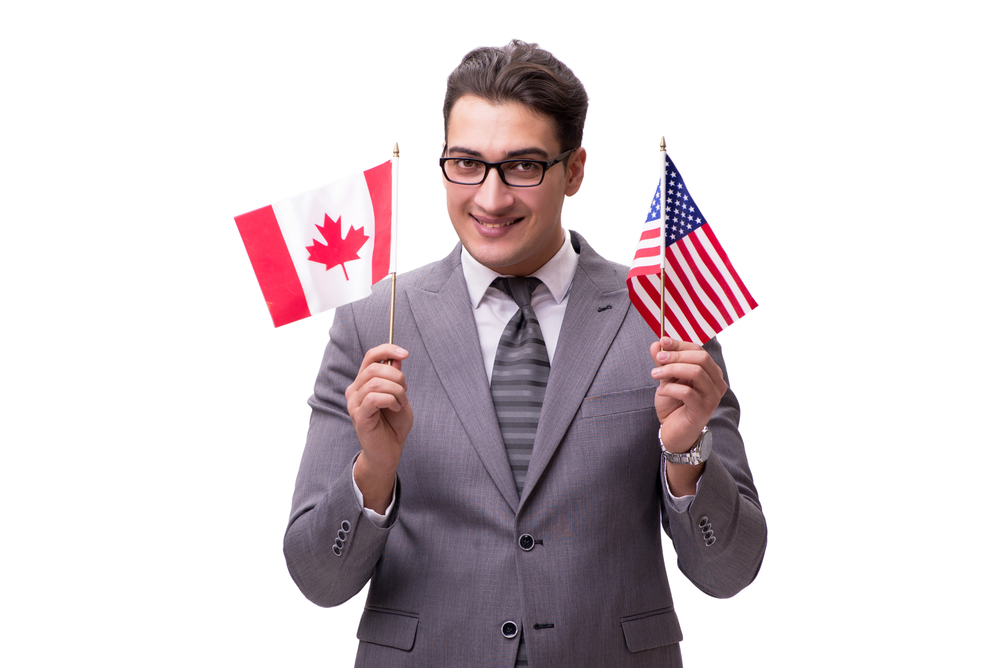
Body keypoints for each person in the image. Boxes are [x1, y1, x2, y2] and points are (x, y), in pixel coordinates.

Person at [284, 40, 766, 667]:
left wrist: (686, 452)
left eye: (522, 167)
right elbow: (319, 581)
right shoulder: (374, 324)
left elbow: (729, 570)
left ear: (575, 169)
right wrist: (374, 470)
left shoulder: (666, 317)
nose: (490, 198)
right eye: (466, 163)